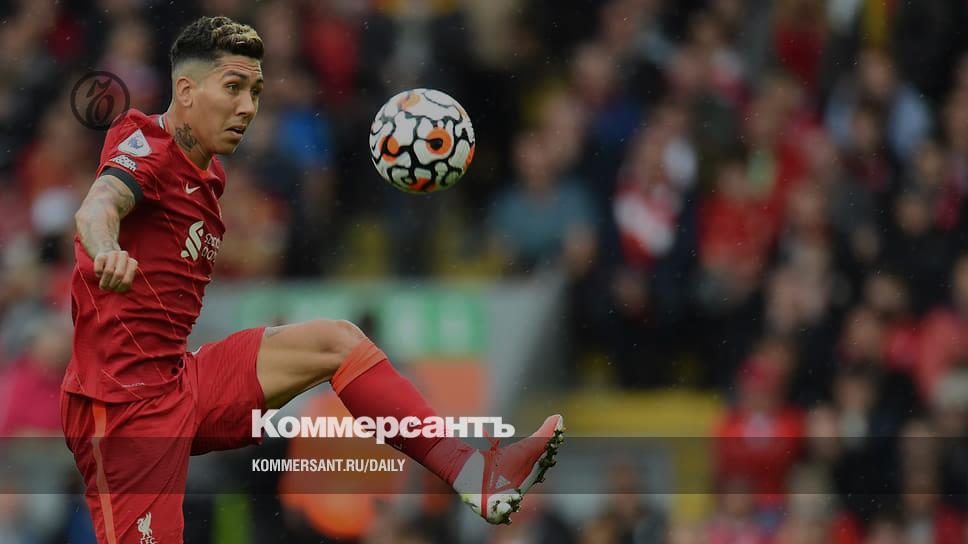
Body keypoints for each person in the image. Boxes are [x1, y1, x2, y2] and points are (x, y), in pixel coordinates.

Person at [60, 16, 563, 543]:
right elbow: (98, 206)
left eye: (255, 92)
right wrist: (106, 248)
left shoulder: (210, 175)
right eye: (233, 88)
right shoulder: (146, 142)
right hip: (119, 409)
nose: (247, 107)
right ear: (186, 91)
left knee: (337, 343)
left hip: (178, 382)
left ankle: (472, 472)